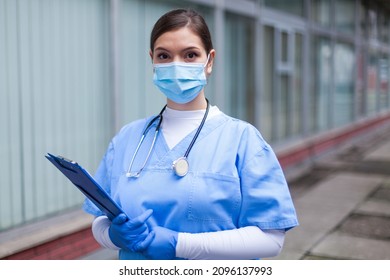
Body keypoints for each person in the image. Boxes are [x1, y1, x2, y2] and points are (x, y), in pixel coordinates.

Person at [83, 8, 298, 260]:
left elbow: (271, 239)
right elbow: (99, 220)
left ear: (210, 61)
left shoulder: (243, 140)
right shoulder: (127, 139)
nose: (176, 66)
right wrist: (112, 236)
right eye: (164, 56)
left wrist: (179, 244)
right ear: (152, 60)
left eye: (190, 55)